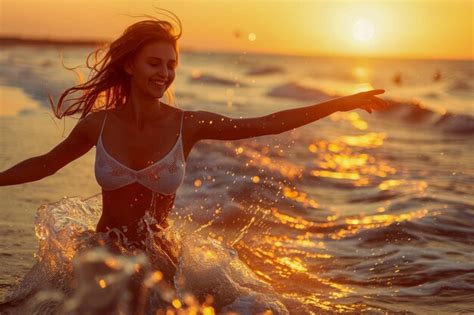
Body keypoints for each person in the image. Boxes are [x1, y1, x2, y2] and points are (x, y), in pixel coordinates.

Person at [0, 10, 387, 286]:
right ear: (130, 66)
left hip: (158, 259)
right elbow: (46, 164)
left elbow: (264, 123)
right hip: (103, 254)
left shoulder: (189, 124)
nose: (164, 74)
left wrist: (339, 103)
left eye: (171, 66)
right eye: (155, 63)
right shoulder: (98, 125)